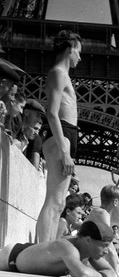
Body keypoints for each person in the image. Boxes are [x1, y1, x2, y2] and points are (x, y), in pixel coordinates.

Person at [37, 30, 82, 243]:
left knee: (60, 203)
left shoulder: (63, 75)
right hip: (60, 134)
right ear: (70, 48)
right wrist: (65, 150)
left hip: (66, 134)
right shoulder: (58, 73)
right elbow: (52, 112)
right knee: (54, 201)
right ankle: (42, 250)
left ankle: (47, 247)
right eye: (78, 52)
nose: (80, 58)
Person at [0, 219, 117, 277]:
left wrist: (103, 275)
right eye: (104, 245)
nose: (106, 251)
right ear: (87, 240)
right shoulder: (68, 247)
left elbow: (112, 273)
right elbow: (83, 274)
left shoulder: (89, 251)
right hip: (11, 256)